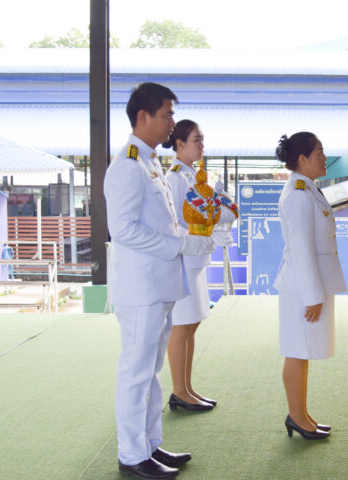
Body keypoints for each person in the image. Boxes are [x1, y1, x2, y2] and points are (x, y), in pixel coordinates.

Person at [104, 82, 214, 479]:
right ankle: (132, 455)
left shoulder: (148, 162)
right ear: (143, 117)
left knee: (149, 371)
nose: (171, 123)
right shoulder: (127, 166)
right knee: (136, 372)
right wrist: (180, 244)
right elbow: (124, 230)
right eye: (167, 115)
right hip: (140, 289)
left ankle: (149, 445)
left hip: (157, 286)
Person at [273, 132, 346, 440]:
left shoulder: (307, 189)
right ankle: (296, 416)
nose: (324, 157)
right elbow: (301, 248)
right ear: (302, 160)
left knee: (302, 352)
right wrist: (313, 296)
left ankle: (302, 415)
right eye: (319, 152)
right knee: (296, 351)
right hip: (301, 288)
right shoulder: (297, 195)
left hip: (308, 285)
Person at [163, 119, 230, 412]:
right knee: (181, 325)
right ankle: (179, 391)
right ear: (179, 145)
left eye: (202, 140)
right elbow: (174, 222)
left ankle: (187, 387)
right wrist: (199, 237)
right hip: (184, 260)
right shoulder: (176, 178)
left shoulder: (194, 176)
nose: (202, 145)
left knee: (192, 324)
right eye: (196, 140)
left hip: (197, 259)